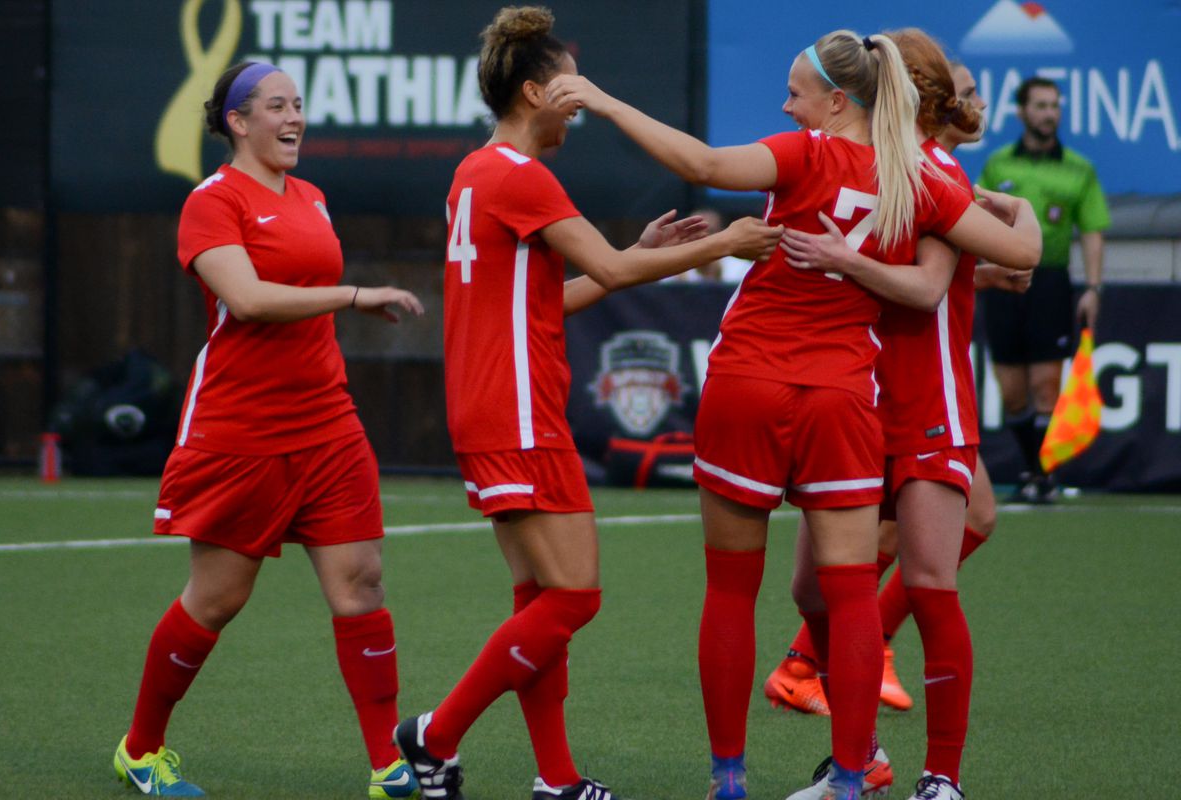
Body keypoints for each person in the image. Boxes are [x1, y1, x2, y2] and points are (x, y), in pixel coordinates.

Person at [547, 28, 1040, 800]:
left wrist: (607, 103)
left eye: (795, 92)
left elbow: (703, 165)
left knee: (732, 589)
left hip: (750, 380)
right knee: (848, 599)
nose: (785, 104)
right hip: (843, 398)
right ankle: (851, 779)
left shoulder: (805, 153)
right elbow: (1016, 255)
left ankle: (729, 780)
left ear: (838, 100)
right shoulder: (918, 178)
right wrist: (1017, 210)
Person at [391, 9, 783, 800]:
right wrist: (721, 245)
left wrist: (641, 254)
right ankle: (431, 737)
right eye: (567, 90)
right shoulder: (520, 176)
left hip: (492, 408)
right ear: (534, 90)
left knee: (539, 600)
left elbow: (549, 297)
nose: (578, 106)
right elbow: (609, 271)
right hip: (519, 414)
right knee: (575, 596)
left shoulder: (474, 171)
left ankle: (557, 779)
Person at [112, 62, 425, 799]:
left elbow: (299, 293)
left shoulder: (311, 196)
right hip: (240, 430)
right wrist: (353, 295)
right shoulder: (211, 202)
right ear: (237, 122)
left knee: (362, 583)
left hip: (327, 422)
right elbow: (247, 301)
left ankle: (389, 766)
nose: (295, 118)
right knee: (217, 598)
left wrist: (347, 301)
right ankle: (140, 749)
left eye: (299, 105)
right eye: (276, 105)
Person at [774, 35, 1033, 800]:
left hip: (924, 405)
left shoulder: (931, 169)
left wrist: (1012, 217)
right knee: (813, 591)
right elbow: (935, 269)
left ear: (899, 93)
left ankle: (941, 778)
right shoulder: (874, 165)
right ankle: (861, 755)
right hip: (854, 402)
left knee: (928, 582)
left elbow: (927, 287)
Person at [979, 76, 1110, 503]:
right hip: (1001, 281)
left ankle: (1042, 477)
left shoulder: (1079, 167)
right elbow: (976, 216)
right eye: (1040, 105)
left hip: (1051, 282)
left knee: (1045, 388)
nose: (1049, 113)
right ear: (1021, 112)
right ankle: (1032, 469)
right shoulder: (998, 164)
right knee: (1012, 390)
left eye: (1054, 105)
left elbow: (1092, 231)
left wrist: (1093, 287)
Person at [663, 208, 754, 284]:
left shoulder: (742, 268)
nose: (703, 237)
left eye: (710, 231)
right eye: (695, 231)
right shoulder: (673, 272)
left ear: (722, 233)